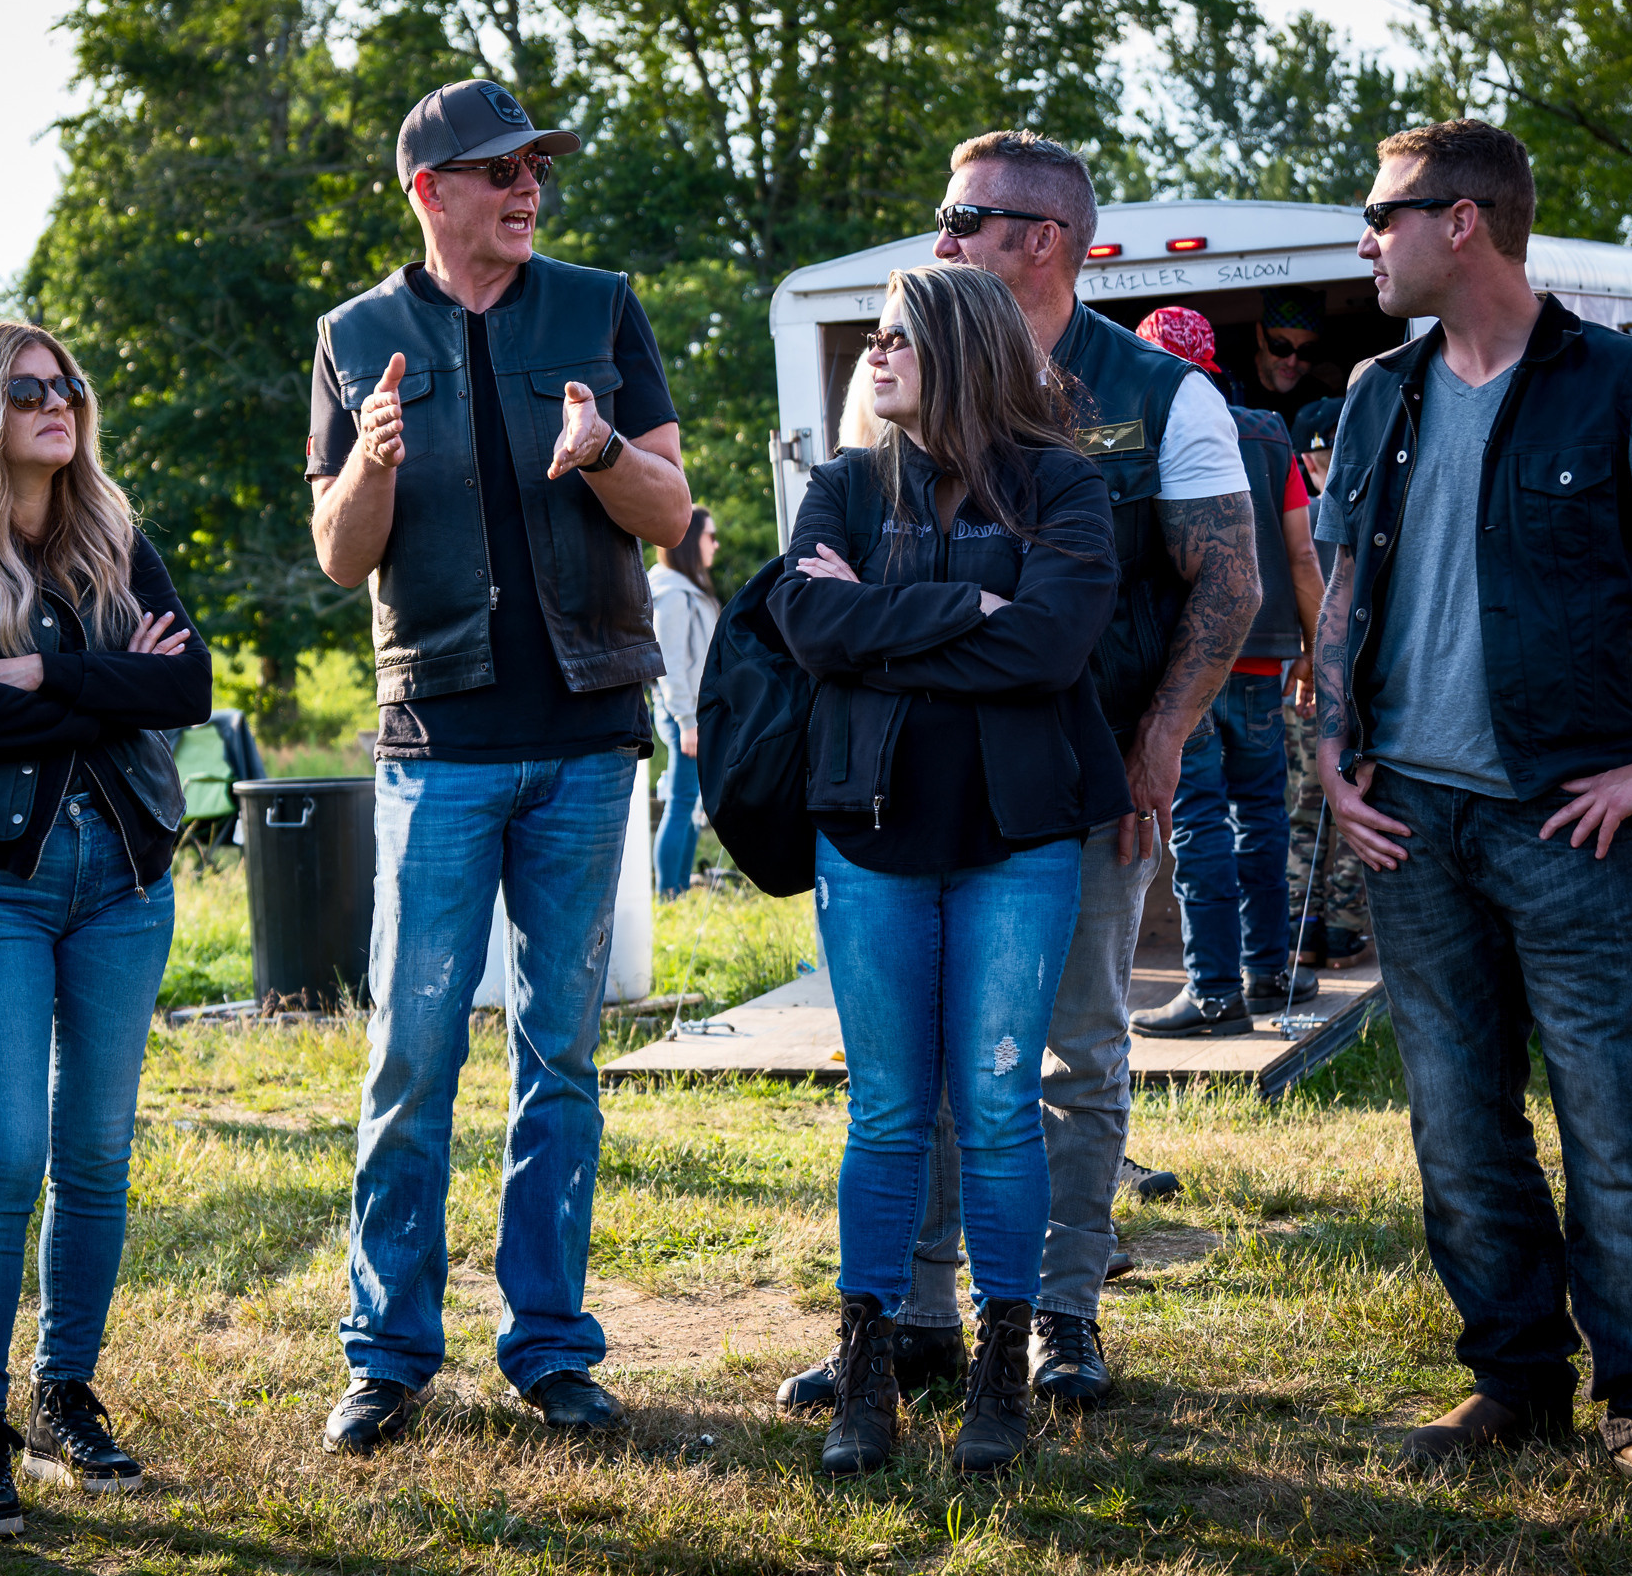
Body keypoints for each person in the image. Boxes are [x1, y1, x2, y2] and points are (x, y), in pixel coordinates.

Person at [1313, 120, 1632, 1509]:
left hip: (1564, 817)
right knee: (1456, 1120)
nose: (1367, 240)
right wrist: (1331, 758)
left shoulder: (1622, 384)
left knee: (1615, 1116)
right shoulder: (1378, 389)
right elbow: (1343, 587)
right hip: (1413, 819)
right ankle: (1512, 1380)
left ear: (1465, 224)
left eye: (1386, 214)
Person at [777, 130, 1259, 1417]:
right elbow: (818, 597)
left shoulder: (1162, 395)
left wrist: (1159, 744)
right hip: (911, 781)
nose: (937, 241)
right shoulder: (887, 390)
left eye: (960, 219)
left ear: (1036, 238)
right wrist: (970, 619)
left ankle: (1061, 1316)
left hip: (1078, 786)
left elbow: (1230, 582)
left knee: (1071, 1058)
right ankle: (917, 1319)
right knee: (917, 1078)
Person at [305, 80, 692, 1453]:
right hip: (440, 746)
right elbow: (341, 553)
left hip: (589, 737)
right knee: (410, 1057)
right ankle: (390, 1350)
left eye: (536, 164)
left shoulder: (599, 305)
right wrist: (368, 460)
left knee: (562, 1056)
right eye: (497, 168)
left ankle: (548, 1344)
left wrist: (596, 457)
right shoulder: (356, 336)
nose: (527, 186)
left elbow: (672, 507)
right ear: (429, 190)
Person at [773, 263, 1127, 1476]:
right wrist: (964, 608)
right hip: (868, 840)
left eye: (896, 338)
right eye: (866, 337)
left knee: (992, 1107)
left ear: (963, 348)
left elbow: (1050, 647)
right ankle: (865, 1375)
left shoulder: (1065, 485)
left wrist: (885, 617)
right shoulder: (842, 483)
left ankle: (999, 1368)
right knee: (883, 1115)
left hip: (1015, 842)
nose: (871, 356)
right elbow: (804, 628)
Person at [0, 320, 211, 1527]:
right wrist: (103, 684)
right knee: (1, 1157)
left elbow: (189, 687)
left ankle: (66, 1392)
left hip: (120, 875)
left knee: (97, 1158)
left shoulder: (112, 535)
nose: (56, 402)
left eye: (67, 383)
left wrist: (46, 676)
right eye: (26, 390)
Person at [1124, 308, 1326, 1038]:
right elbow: (1303, 556)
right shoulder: (1272, 434)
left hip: (1194, 661)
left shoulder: (1150, 424)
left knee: (1201, 819)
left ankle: (1212, 991)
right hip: (1265, 659)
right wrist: (1312, 649)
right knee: (1261, 814)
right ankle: (1268, 974)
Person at [1281, 395, 1369, 967]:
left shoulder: (1296, 520)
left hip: (1302, 680)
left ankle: (1299, 927)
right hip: (1360, 679)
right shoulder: (1368, 511)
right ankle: (1342, 925)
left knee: (1303, 805)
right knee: (1359, 797)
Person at [648, 507, 720, 899]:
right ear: (692, 541)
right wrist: (687, 721)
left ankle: (679, 889)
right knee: (680, 802)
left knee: (691, 803)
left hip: (693, 715)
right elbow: (669, 663)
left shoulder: (684, 586)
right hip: (684, 717)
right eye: (710, 536)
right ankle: (669, 894)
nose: (716, 544)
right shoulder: (672, 593)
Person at [1241, 286, 1334, 426]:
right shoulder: (1227, 388)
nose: (1292, 362)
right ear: (1261, 337)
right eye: (1281, 347)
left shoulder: (1320, 400)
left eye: (1306, 351)